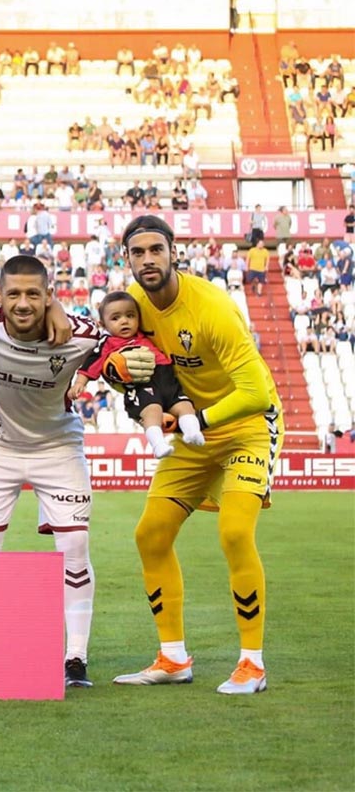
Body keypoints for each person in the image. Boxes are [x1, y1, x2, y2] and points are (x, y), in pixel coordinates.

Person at [112, 215, 283, 695]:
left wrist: (197, 422)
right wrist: (117, 375)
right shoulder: (133, 305)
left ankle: (252, 664)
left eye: (156, 250)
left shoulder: (212, 306)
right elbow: (130, 368)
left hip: (247, 425)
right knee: (150, 535)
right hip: (192, 430)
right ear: (127, 259)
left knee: (235, 532)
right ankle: (172, 658)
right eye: (138, 252)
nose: (148, 260)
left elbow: (255, 392)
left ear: (174, 252)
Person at [0, 255, 105, 687]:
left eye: (34, 294)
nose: (22, 303)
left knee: (75, 546)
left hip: (58, 447)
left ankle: (76, 657)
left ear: (50, 295)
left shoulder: (81, 334)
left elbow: (120, 339)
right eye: (12, 293)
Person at [70, 292, 205, 458]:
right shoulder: (108, 343)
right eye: (116, 318)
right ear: (102, 324)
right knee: (152, 411)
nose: (124, 321)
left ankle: (192, 433)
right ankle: (158, 445)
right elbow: (92, 362)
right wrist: (80, 383)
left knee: (185, 406)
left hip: (166, 379)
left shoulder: (145, 334)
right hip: (141, 385)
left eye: (130, 315)